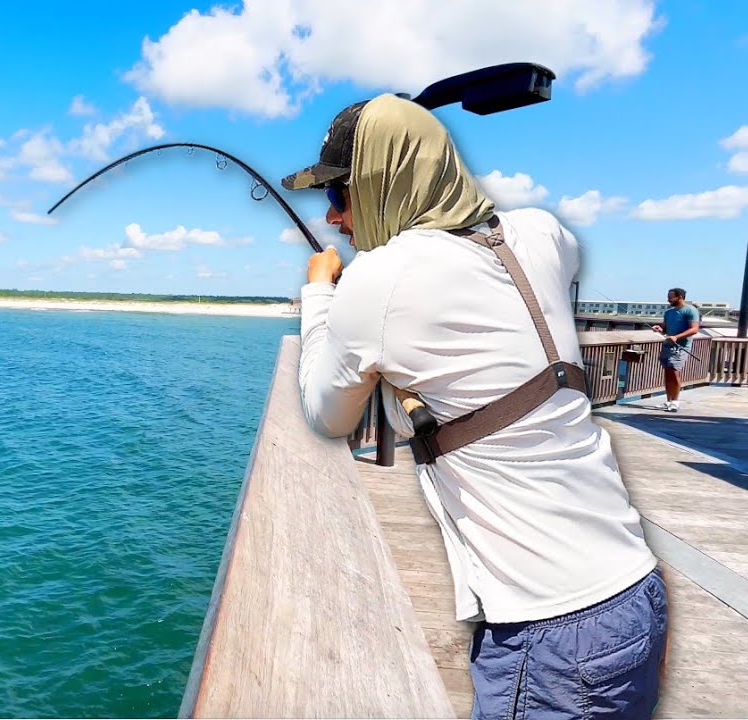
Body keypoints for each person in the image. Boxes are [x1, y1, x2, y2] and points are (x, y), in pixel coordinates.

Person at [282, 93, 668, 719]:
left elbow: (328, 416)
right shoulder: (540, 232)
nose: (332, 218)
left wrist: (320, 293)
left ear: (381, 182)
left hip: (550, 632)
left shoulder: (378, 281)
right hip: (634, 592)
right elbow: (559, 246)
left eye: (338, 195)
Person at [651, 288, 701, 412]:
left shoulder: (691, 310)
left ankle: (675, 401)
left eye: (671, 297)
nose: (668, 299)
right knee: (668, 372)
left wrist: (677, 337)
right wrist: (659, 328)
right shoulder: (669, 313)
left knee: (674, 371)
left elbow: (694, 329)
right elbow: (666, 328)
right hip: (668, 345)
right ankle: (668, 401)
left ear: (679, 297)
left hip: (681, 347)